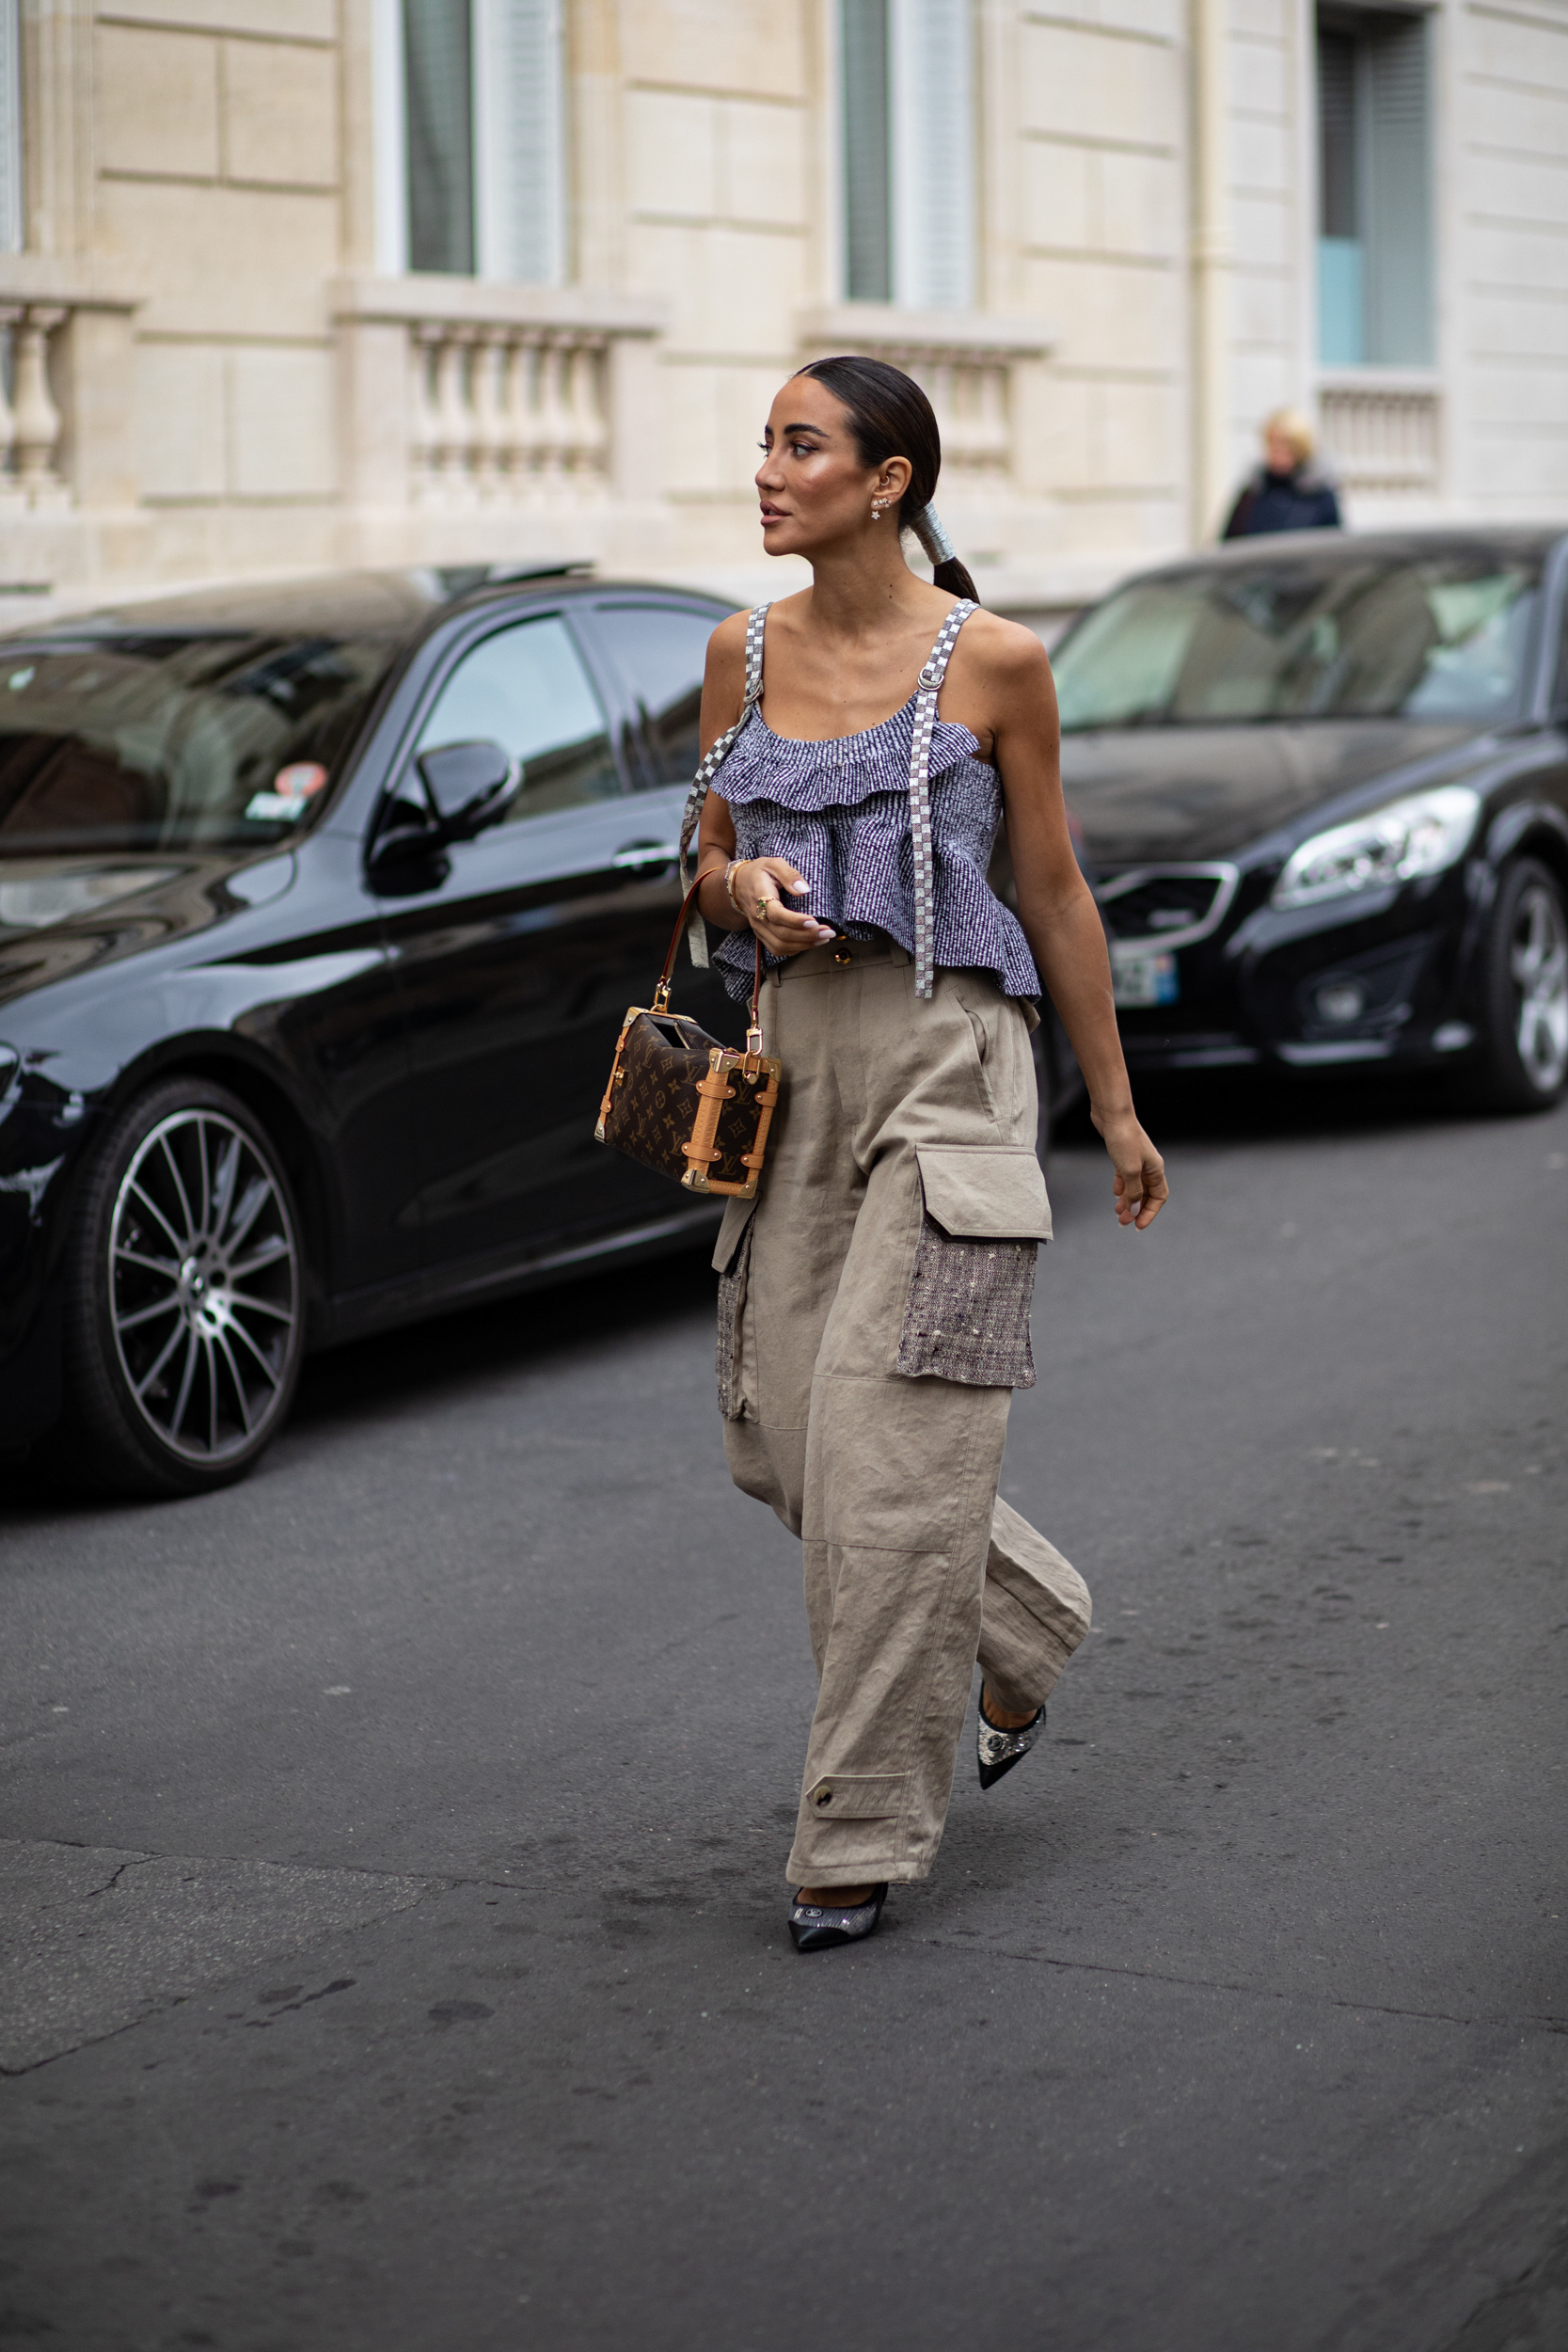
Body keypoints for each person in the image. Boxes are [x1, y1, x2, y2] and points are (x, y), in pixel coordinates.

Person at [689, 356, 1167, 1955]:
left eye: (800, 444)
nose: (767, 468)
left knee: (889, 1457)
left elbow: (1055, 894)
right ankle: (1025, 1625)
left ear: (886, 481)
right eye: (764, 441)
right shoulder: (734, 653)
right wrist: (736, 891)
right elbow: (698, 861)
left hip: (951, 1066)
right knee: (778, 1430)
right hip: (788, 1062)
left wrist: (1111, 1105)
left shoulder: (997, 664)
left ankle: (855, 1837)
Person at [1221, 408, 1341, 538]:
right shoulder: (1253, 491)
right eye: (1271, 442)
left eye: (1284, 443)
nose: (1276, 450)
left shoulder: (1318, 493)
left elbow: (1333, 546)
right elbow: (1229, 543)